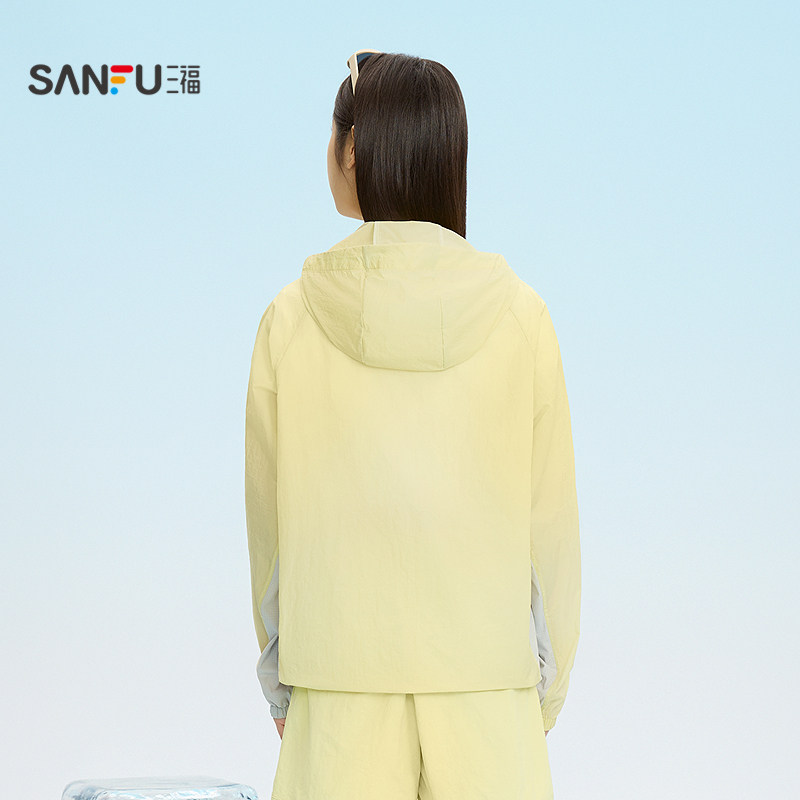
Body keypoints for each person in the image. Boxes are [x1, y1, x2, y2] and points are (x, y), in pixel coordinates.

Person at [245, 50, 581, 800]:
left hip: (337, 686)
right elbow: (550, 532)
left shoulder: (290, 320)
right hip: (488, 692)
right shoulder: (521, 317)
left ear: (352, 151)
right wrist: (540, 697)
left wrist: (282, 680)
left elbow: (271, 537)